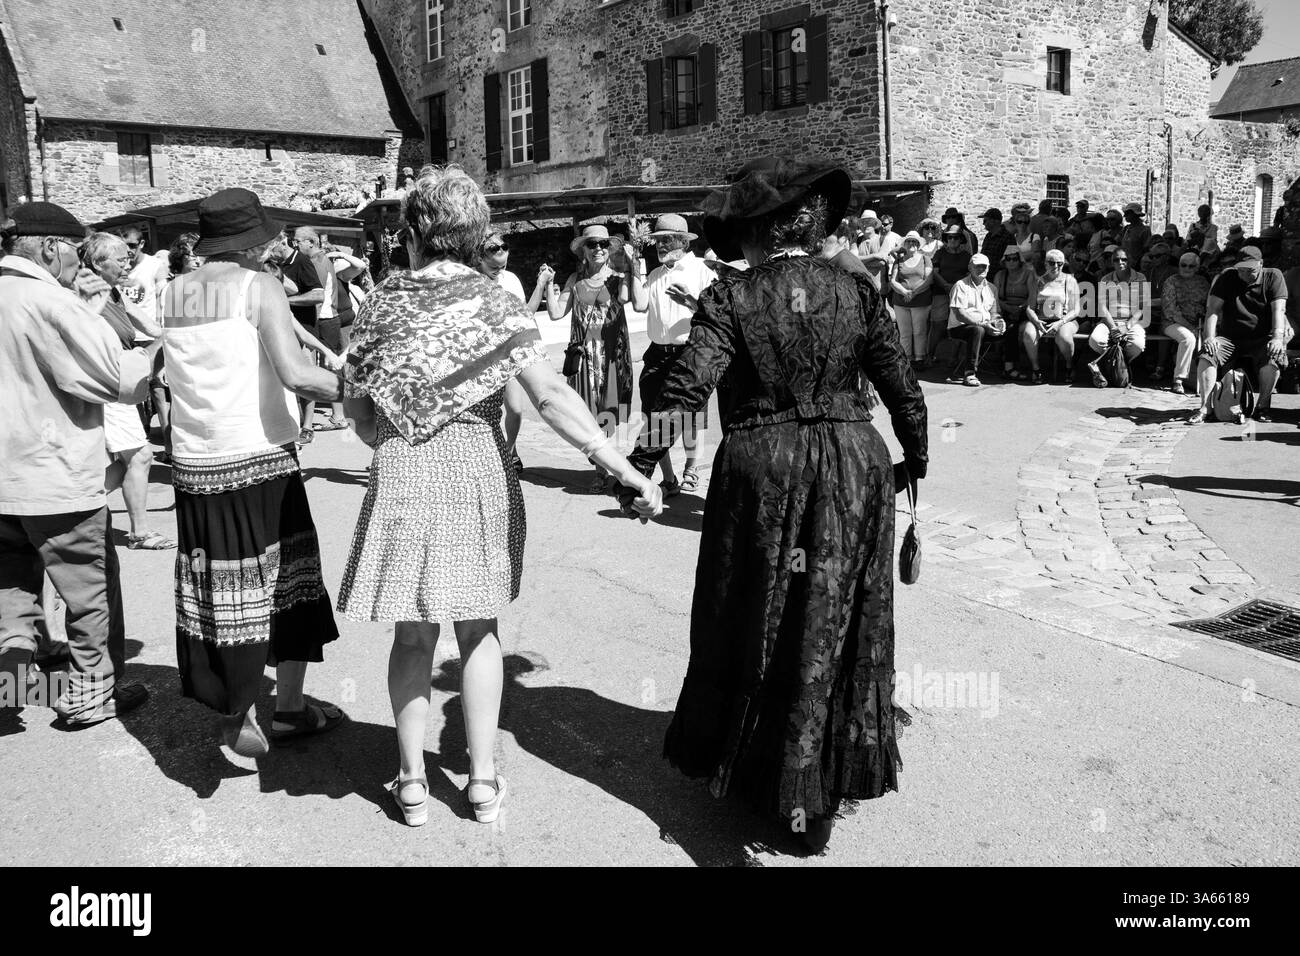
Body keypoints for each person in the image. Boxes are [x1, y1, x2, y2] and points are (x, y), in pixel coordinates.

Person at [619, 157, 927, 853]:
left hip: (764, 464)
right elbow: (902, 387)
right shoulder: (856, 292)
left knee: (754, 607)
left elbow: (686, 390)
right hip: (854, 462)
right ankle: (812, 781)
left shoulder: (732, 298)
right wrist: (916, 460)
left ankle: (762, 770)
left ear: (754, 232)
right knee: (834, 612)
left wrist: (639, 468)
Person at [339, 164, 662, 827]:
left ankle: (410, 780)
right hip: (477, 464)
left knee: (412, 633)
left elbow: (364, 418)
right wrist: (621, 468)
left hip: (404, 466)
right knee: (478, 629)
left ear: (413, 232)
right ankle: (482, 782)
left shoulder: (381, 304)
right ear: (476, 232)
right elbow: (548, 396)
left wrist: (402, 427)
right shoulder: (492, 302)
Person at [159, 189, 347, 757]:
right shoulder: (257, 286)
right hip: (259, 459)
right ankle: (279, 707)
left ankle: (241, 702)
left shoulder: (175, 292)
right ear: (251, 239)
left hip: (194, 464)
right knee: (290, 581)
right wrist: (364, 390)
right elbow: (295, 374)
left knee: (217, 590)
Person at [0, 202, 156, 725]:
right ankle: (92, 693)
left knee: (13, 592)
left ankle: (13, 686)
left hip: (4, 479)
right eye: (73, 253)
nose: (77, 265)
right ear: (49, 247)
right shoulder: (50, 302)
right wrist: (151, 353)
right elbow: (119, 380)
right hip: (55, 475)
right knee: (89, 594)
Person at [82, 233, 175, 550]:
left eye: (127, 258)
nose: (127, 263)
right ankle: (138, 532)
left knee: (127, 461)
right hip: (104, 385)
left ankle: (71, 509)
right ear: (97, 263)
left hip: (118, 385)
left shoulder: (114, 291)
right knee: (141, 454)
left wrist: (175, 333)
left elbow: (151, 327)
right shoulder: (86, 293)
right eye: (120, 260)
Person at [627, 214, 717, 496]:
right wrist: (633, 266)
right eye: (657, 241)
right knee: (653, 417)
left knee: (691, 418)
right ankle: (669, 479)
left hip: (689, 352)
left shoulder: (702, 269)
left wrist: (691, 302)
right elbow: (640, 305)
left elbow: (717, 313)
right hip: (657, 355)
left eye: (666, 239)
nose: (660, 245)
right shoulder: (655, 274)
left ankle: (691, 470)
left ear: (683, 241)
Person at [545, 224, 635, 493]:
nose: (598, 249)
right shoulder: (574, 280)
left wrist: (632, 269)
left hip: (611, 355)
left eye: (603, 244)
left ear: (609, 250)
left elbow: (627, 299)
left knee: (608, 411)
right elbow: (555, 313)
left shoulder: (618, 278)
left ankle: (606, 466)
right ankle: (601, 468)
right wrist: (549, 285)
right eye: (592, 244)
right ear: (583, 249)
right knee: (587, 412)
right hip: (584, 357)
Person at [475, 229, 550, 475]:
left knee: (515, 410)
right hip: (482, 357)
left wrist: (540, 284)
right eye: (495, 267)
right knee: (485, 414)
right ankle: (503, 457)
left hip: (509, 353)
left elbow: (525, 313)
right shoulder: (471, 283)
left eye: (503, 265)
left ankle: (508, 452)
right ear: (479, 259)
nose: (500, 271)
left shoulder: (510, 279)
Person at [1190, 245, 1290, 424]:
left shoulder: (1274, 276)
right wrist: (1209, 337)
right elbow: (1212, 310)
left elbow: (1279, 310)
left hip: (1262, 337)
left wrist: (1277, 337)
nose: (1244, 274)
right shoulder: (1227, 276)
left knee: (1273, 358)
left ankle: (1262, 407)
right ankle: (1205, 408)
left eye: (1249, 270)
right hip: (1230, 337)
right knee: (1207, 355)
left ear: (1260, 264)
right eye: (1241, 270)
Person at [1088, 248, 1148, 388]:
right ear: (1112, 262)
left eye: (1124, 259)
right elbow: (1102, 307)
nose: (1120, 262)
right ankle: (1119, 366)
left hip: (1132, 321)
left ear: (1130, 260)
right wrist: (1114, 328)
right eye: (1116, 259)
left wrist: (1126, 326)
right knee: (1095, 340)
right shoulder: (1105, 279)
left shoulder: (1140, 278)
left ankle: (1113, 365)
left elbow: (1143, 307)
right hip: (1110, 321)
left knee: (1138, 345)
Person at [1022, 248, 1081, 385]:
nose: (1055, 266)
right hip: (1041, 319)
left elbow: (1075, 310)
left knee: (1064, 337)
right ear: (1045, 263)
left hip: (1065, 319)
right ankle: (1036, 369)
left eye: (1059, 263)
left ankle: (1069, 365)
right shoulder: (1038, 281)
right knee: (1028, 334)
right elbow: (1030, 307)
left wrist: (1060, 323)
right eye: (1051, 262)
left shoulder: (1070, 280)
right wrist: (1036, 321)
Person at [945, 253, 1001, 387]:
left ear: (988, 268)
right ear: (970, 267)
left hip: (984, 326)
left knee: (1011, 327)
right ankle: (969, 373)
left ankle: (1009, 368)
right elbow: (959, 314)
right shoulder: (960, 285)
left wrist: (997, 323)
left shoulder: (992, 288)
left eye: (984, 266)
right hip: (959, 328)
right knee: (977, 330)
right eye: (978, 266)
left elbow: (994, 312)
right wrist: (982, 324)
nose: (981, 269)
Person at [1160, 252, 1209, 395]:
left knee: (1213, 338)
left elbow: (1208, 305)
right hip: (1172, 323)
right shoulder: (1171, 281)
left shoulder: (1203, 282)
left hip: (1198, 323)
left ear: (1197, 267)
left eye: (1191, 266)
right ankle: (1178, 380)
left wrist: (1204, 323)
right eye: (1183, 265)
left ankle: (1207, 378)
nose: (1186, 268)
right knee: (1188, 338)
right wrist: (1191, 327)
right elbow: (1170, 311)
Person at [927, 225, 971, 364]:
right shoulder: (940, 253)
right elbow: (934, 272)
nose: (952, 240)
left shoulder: (967, 256)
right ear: (946, 239)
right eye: (950, 237)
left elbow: (969, 274)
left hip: (960, 295)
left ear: (960, 239)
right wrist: (946, 285)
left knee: (958, 325)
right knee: (938, 324)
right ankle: (930, 356)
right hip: (941, 292)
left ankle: (956, 357)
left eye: (956, 237)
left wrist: (956, 287)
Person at [890, 230, 932, 368]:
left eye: (914, 241)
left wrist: (913, 293)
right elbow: (893, 281)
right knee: (905, 332)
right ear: (905, 244)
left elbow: (928, 279)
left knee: (919, 331)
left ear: (918, 244)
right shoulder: (899, 260)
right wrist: (904, 292)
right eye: (909, 241)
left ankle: (919, 358)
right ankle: (906, 359)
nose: (912, 244)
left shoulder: (925, 259)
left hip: (920, 301)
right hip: (901, 302)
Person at [993, 244, 1036, 379]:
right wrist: (1007, 308)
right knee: (1009, 326)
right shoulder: (1000, 275)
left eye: (1014, 259)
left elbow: (1032, 296)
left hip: (1024, 309)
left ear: (1020, 260)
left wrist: (1020, 308)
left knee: (1012, 327)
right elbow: (994, 297)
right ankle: (1009, 366)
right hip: (1004, 308)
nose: (1011, 262)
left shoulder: (1028, 274)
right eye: (1008, 259)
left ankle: (1009, 366)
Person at [979, 207, 1014, 276]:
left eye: (985, 220)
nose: (983, 223)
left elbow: (1010, 260)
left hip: (999, 276)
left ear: (995, 221)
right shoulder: (988, 236)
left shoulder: (1008, 237)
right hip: (985, 275)